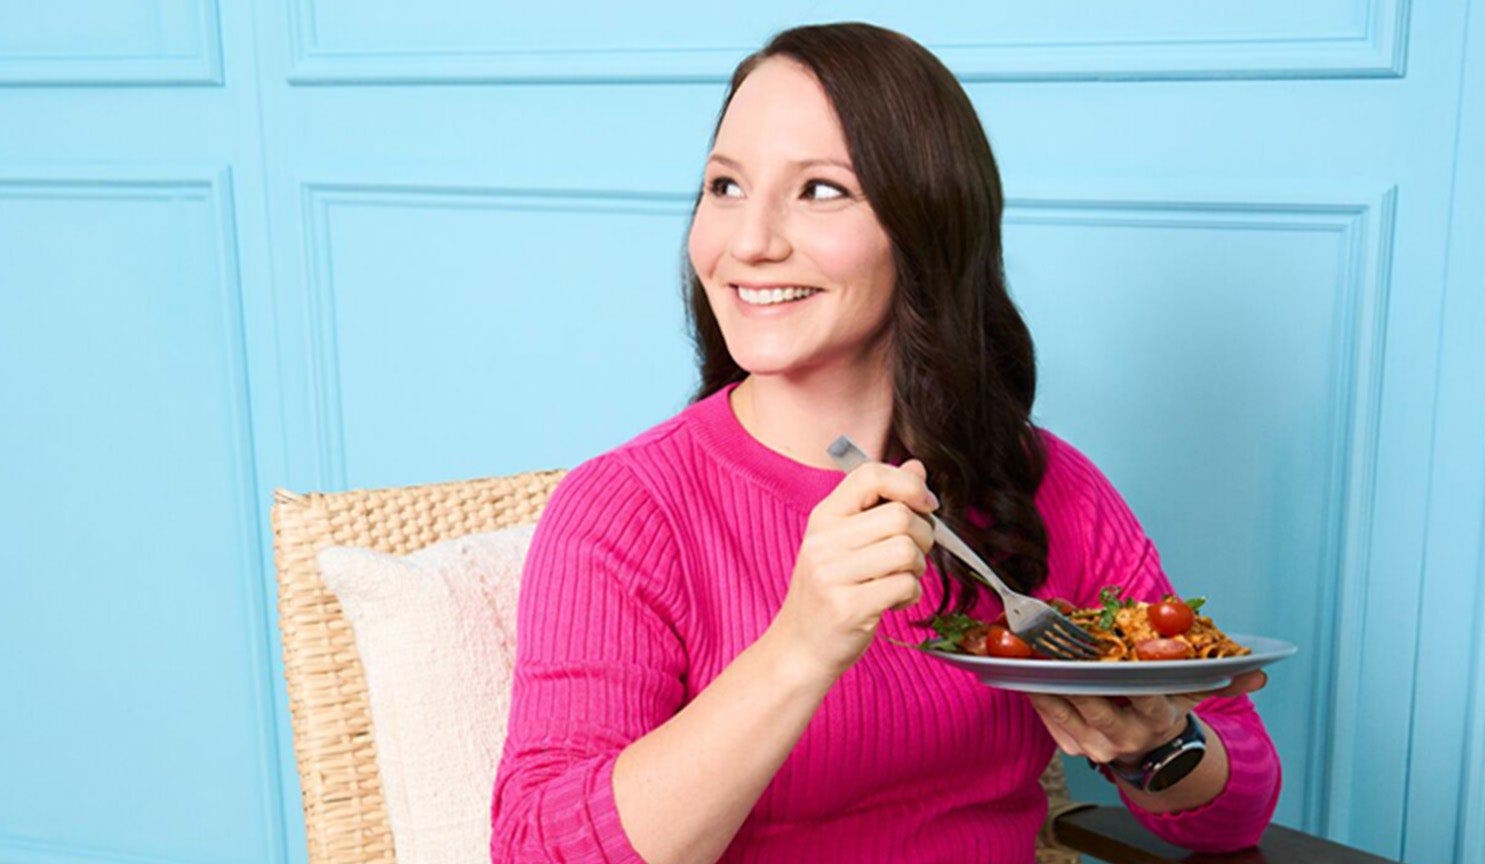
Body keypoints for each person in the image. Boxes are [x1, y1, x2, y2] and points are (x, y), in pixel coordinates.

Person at [490, 21, 1279, 864]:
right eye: (724, 186)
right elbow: (541, 850)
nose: (749, 242)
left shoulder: (1041, 485)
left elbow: (1238, 810)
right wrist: (800, 647)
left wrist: (1152, 743)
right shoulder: (627, 513)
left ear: (926, 225)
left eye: (821, 191)